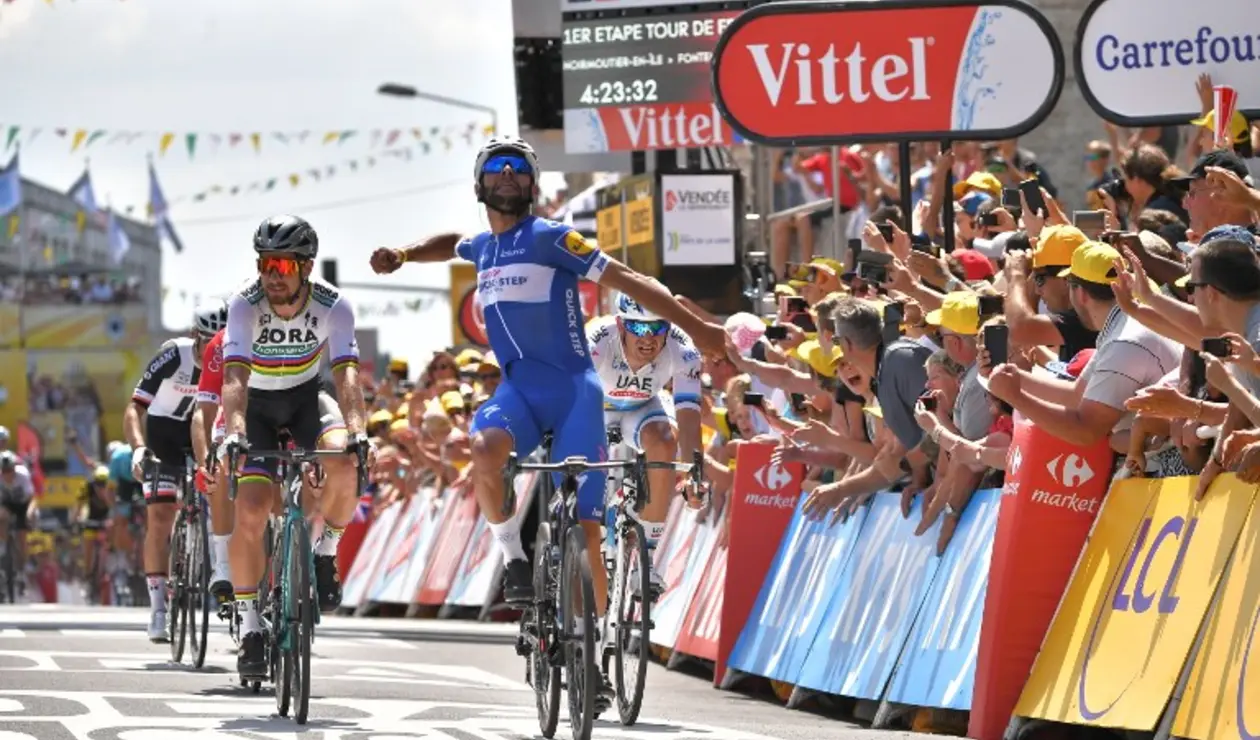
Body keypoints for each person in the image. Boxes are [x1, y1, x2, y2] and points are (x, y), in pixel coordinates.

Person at [369, 135, 725, 706]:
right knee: (483, 447)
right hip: (518, 393)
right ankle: (513, 556)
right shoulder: (484, 246)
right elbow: (450, 243)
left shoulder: (554, 237)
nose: (508, 174)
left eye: (519, 169)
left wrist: (702, 330)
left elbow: (633, 284)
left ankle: (593, 651)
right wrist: (406, 254)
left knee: (587, 533)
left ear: (533, 186)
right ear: (481, 184)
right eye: (496, 168)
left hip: (575, 392)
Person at [216, 214, 373, 679]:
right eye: (265, 264)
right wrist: (235, 430)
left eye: (282, 267)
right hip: (258, 407)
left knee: (346, 459)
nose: (271, 276)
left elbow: (345, 371)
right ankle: (249, 628)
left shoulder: (333, 305)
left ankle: (325, 550)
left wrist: (359, 428)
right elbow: (235, 377)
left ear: (305, 267)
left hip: (306, 399)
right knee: (251, 508)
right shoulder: (245, 305)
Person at [587, 286, 705, 595]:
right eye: (638, 327)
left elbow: (690, 419)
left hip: (642, 408)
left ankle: (646, 559)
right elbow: (569, 394)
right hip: (594, 408)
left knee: (666, 442)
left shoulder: (684, 349)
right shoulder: (597, 339)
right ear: (621, 324)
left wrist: (696, 473)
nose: (648, 337)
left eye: (657, 327)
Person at [124, 323, 208, 642]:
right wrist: (138, 448)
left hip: (205, 431)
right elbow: (136, 407)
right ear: (194, 337)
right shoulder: (174, 355)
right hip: (164, 434)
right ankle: (158, 606)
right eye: (206, 341)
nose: (211, 349)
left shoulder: (233, 357)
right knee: (160, 518)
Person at [189, 305, 236, 606]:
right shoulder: (182, 356)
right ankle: (222, 562)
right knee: (217, 470)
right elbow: (201, 419)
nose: (210, 341)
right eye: (204, 337)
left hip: (243, 414)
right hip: (181, 425)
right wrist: (205, 460)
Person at [74, 465, 114, 598]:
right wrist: (77, 520)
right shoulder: (87, 487)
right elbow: (79, 506)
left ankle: (110, 567)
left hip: (107, 519)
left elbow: (116, 509)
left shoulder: (113, 489)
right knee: (88, 544)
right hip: (91, 519)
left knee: (112, 536)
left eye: (104, 485)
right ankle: (87, 575)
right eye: (98, 485)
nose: (101, 488)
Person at [0, 451, 36, 596]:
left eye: (10, 470)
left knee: (22, 536)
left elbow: (32, 499)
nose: (7, 474)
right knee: (2, 516)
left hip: (23, 505)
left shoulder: (23, 476)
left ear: (15, 468)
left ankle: (23, 569)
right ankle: (3, 547)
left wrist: (30, 513)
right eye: (4, 470)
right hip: (6, 505)